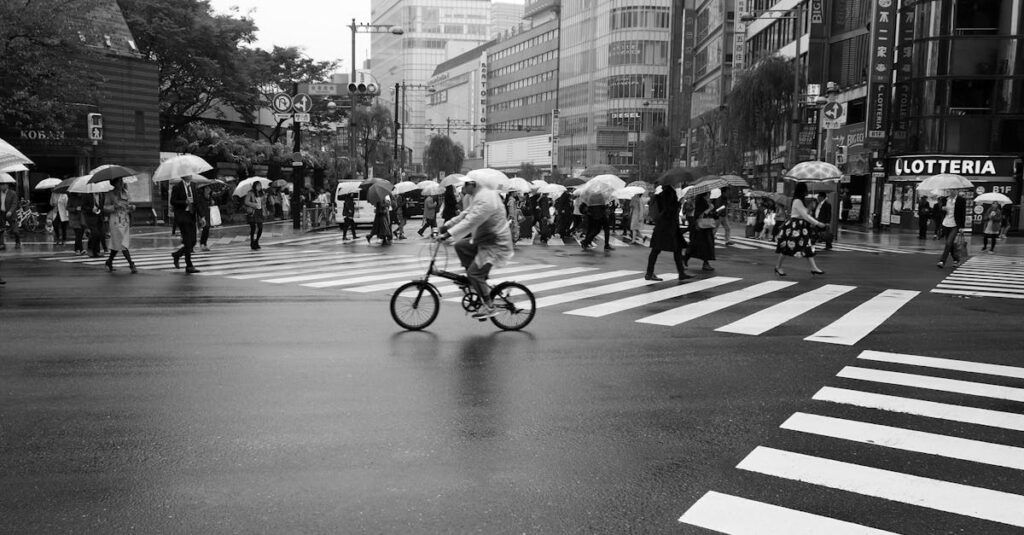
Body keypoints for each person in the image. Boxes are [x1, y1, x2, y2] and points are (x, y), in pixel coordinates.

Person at [438, 178, 514, 319]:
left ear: (473, 184)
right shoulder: (479, 196)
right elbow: (466, 214)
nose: (463, 188)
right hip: (484, 239)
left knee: (474, 273)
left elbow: (471, 220)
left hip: (495, 243)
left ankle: (489, 306)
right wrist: (447, 225)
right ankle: (475, 282)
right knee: (460, 245)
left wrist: (448, 233)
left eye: (465, 185)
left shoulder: (486, 199)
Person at [774, 182, 827, 276]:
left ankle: (814, 268)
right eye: (805, 189)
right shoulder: (797, 201)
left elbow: (805, 213)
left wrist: (810, 207)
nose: (807, 192)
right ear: (802, 190)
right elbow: (805, 215)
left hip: (800, 226)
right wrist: (818, 223)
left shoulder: (799, 200)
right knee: (787, 247)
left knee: (807, 246)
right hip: (796, 226)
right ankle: (778, 267)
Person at [644, 185, 691, 281]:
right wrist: (679, 203)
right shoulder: (669, 193)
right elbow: (669, 210)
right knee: (659, 249)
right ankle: (650, 273)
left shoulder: (664, 193)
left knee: (670, 249)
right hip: (667, 226)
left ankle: (681, 272)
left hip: (664, 225)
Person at [102, 177, 137, 273]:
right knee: (122, 242)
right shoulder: (109, 194)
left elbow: (127, 206)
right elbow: (105, 207)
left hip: (125, 220)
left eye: (122, 181)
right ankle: (131, 264)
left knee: (118, 243)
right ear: (114, 183)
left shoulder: (125, 192)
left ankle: (109, 261)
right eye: (119, 181)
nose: (121, 183)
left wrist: (131, 207)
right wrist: (114, 207)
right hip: (115, 221)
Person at [170, 175, 201, 273]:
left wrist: (202, 216)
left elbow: (197, 202)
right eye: (188, 173)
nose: (190, 175)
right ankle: (189, 266)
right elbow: (173, 201)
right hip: (182, 217)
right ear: (183, 175)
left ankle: (177, 255)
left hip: (191, 216)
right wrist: (184, 202)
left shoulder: (193, 185)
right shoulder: (177, 187)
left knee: (193, 242)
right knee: (188, 241)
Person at [685, 191, 716, 272]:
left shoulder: (706, 201)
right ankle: (685, 258)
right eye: (709, 193)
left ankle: (706, 263)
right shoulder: (700, 202)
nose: (710, 195)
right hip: (701, 227)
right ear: (705, 194)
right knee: (697, 245)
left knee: (706, 245)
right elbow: (700, 214)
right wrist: (710, 208)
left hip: (706, 227)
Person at [936, 190, 966, 268]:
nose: (951, 191)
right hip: (946, 223)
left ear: (956, 191)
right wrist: (943, 209)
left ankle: (942, 261)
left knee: (949, 242)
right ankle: (956, 259)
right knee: (950, 244)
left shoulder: (961, 200)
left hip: (955, 225)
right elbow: (940, 212)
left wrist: (962, 227)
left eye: (953, 190)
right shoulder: (944, 199)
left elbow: (963, 213)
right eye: (950, 190)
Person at [82, 190, 106, 257]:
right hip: (90, 218)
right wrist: (91, 209)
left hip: (99, 217)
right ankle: (91, 250)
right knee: (95, 234)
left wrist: (103, 215)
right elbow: (83, 206)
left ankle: (96, 251)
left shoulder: (102, 194)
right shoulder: (87, 194)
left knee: (100, 234)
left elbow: (102, 206)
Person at [243, 180, 266, 250]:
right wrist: (254, 204)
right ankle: (252, 242)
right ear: (254, 186)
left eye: (260, 185)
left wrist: (264, 200)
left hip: (259, 212)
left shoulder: (262, 193)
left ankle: (256, 241)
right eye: (258, 185)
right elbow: (246, 202)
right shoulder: (250, 193)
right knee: (253, 228)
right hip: (253, 212)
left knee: (260, 228)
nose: (260, 187)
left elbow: (263, 203)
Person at [0, 181, 20, 250]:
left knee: (15, 230)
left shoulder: (12, 193)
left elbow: (14, 203)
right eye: (0, 185)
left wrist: (10, 211)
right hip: (2, 213)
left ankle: (17, 242)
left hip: (11, 214)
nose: (1, 186)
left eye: (3, 185)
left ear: (7, 185)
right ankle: (2, 244)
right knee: (1, 230)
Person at [196, 184, 212, 251]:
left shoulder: (209, 197)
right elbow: (199, 207)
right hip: (202, 215)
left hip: (208, 215)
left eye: (209, 188)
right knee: (205, 229)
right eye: (206, 188)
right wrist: (202, 216)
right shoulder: (200, 197)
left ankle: (204, 244)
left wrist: (211, 202)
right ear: (203, 190)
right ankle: (202, 244)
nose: (208, 190)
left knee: (207, 230)